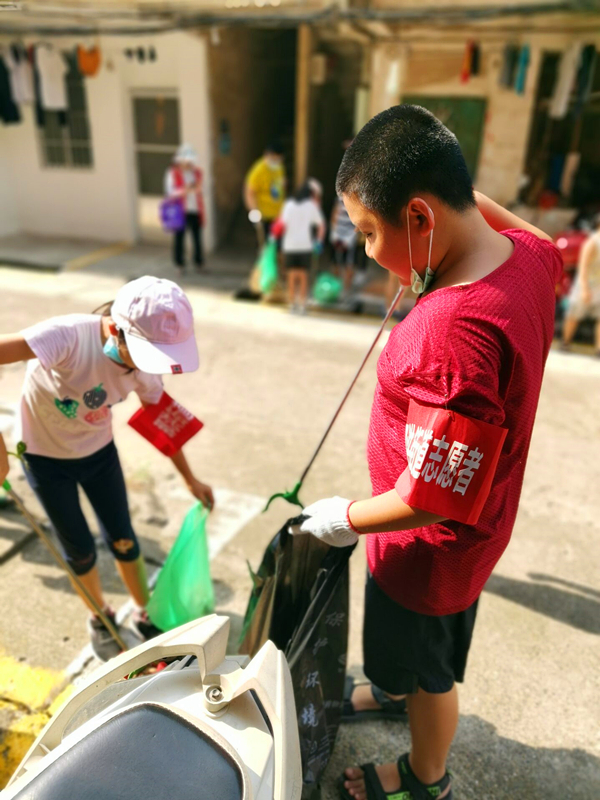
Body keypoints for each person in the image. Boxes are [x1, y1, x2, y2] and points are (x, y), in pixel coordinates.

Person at [294, 105, 562, 800]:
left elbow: (433, 497)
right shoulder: (530, 258)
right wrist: (441, 183)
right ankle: (391, 691)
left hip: (428, 554)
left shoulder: (452, 331)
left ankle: (425, 776)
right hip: (475, 534)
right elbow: (522, 230)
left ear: (419, 218)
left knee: (430, 672)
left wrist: (343, 518)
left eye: (368, 232)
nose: (366, 251)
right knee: (406, 658)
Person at [0, 276, 215, 662]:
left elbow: (160, 418)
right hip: (44, 459)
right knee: (79, 549)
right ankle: (100, 616)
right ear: (116, 329)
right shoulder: (67, 337)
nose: (150, 368)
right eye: (146, 355)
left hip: (99, 455)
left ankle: (144, 611)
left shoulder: (144, 369)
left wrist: (190, 477)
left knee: (124, 538)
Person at [280, 181, 325, 313]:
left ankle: (292, 304)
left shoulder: (288, 204)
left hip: (289, 245)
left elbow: (282, 224)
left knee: (291, 275)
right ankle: (302, 304)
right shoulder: (311, 206)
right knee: (303, 275)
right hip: (305, 245)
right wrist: (319, 241)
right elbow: (321, 225)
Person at [561, 218, 600, 356]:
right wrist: (584, 289)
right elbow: (583, 267)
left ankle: (598, 349)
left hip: (598, 285)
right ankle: (565, 343)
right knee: (574, 315)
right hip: (586, 283)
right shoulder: (592, 242)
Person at [165, 144, 205, 274]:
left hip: (195, 209)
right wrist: (185, 190)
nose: (188, 164)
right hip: (180, 210)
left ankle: (199, 263)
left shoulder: (197, 173)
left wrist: (196, 188)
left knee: (197, 238)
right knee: (179, 239)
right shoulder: (172, 173)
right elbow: (170, 192)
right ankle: (179, 264)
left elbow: (201, 190)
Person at [244, 142, 286, 243]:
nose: (276, 161)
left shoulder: (279, 167)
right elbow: (249, 193)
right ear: (267, 155)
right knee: (267, 246)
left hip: (278, 215)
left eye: (279, 159)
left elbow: (281, 186)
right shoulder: (258, 170)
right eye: (274, 159)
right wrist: (254, 214)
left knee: (279, 245)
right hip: (264, 217)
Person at [330, 194, 357, 294]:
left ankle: (346, 290)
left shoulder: (357, 199)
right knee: (336, 263)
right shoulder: (340, 198)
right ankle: (336, 289)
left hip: (350, 236)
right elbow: (334, 215)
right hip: (339, 235)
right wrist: (334, 233)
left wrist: (353, 235)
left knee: (348, 264)